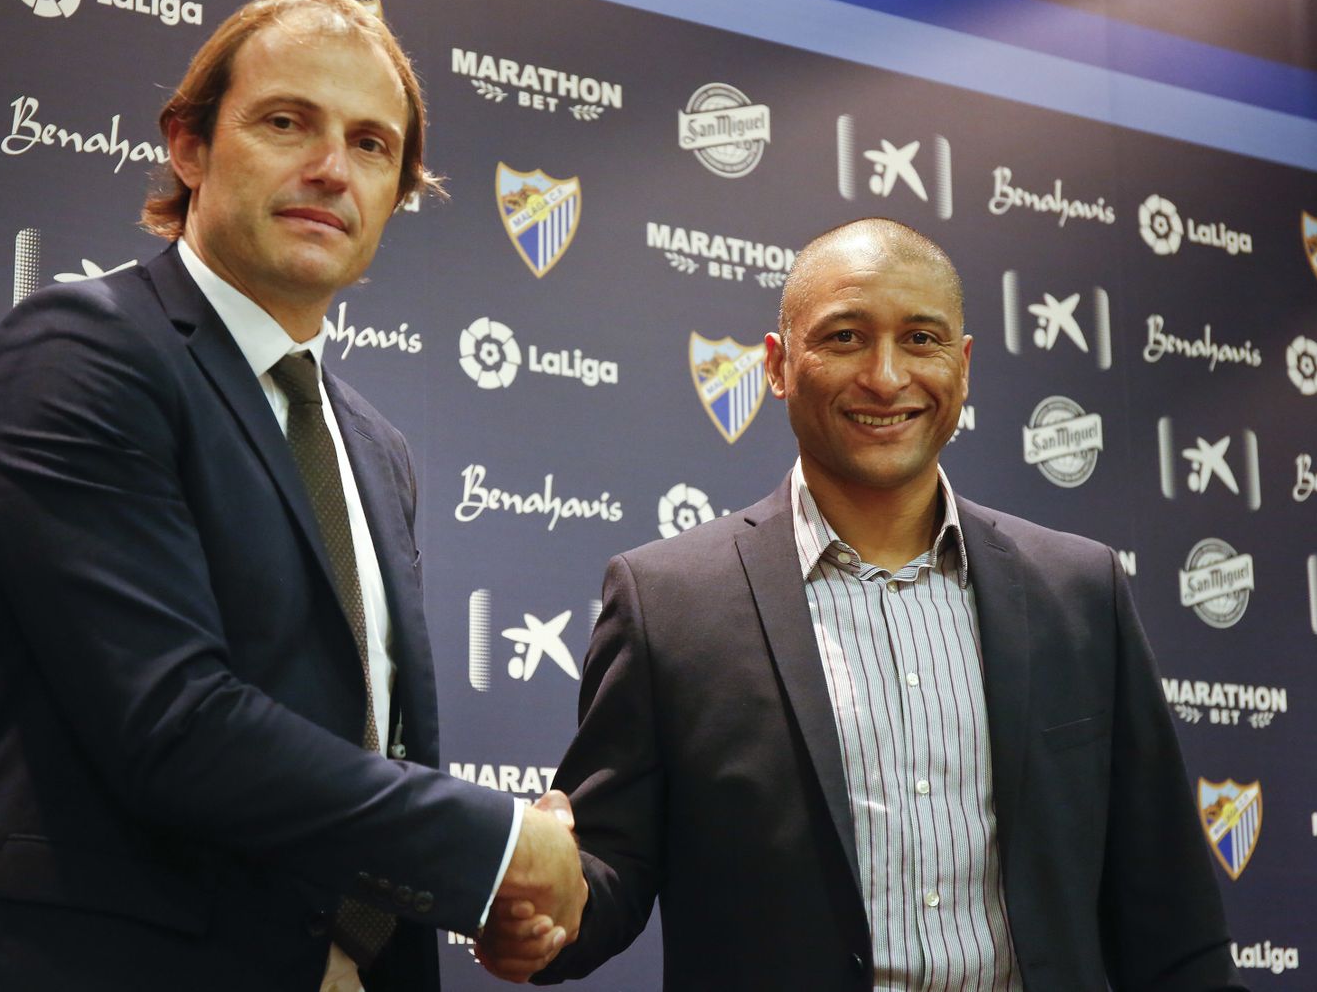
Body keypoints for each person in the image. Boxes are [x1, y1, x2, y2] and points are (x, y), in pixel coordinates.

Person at [0, 0, 583, 992]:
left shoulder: (376, 447)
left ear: (398, 192)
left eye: (370, 144)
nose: (328, 169)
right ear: (188, 145)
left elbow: (362, 748)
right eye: (285, 122)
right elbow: (172, 723)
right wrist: (492, 842)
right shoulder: (82, 351)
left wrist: (480, 889)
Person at [483, 218, 1243, 989]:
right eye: (845, 337)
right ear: (777, 366)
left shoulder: (1079, 591)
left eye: (921, 339)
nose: (886, 376)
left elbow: (1173, 922)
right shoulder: (667, 600)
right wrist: (541, 906)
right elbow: (605, 875)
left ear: (964, 364)